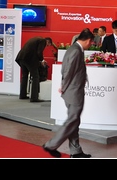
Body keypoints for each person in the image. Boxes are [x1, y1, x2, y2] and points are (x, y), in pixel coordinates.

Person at [43, 27, 94, 158]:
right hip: (73, 91)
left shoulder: (74, 49)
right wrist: (64, 86)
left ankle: (75, 151)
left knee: (74, 121)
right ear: (88, 40)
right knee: (72, 120)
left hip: (72, 90)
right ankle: (51, 145)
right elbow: (68, 70)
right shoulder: (76, 51)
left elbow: (66, 69)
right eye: (91, 43)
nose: (91, 45)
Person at [15, 35, 48, 102]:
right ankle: (34, 97)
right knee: (35, 77)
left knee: (24, 76)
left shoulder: (35, 39)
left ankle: (22, 95)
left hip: (21, 58)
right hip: (29, 60)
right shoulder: (43, 41)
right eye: (47, 45)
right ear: (48, 42)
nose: (46, 46)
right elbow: (39, 52)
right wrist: (42, 60)